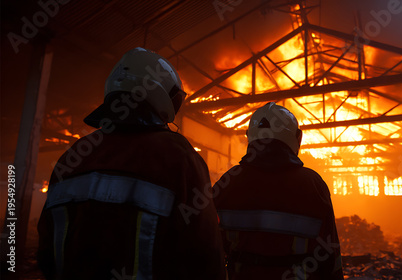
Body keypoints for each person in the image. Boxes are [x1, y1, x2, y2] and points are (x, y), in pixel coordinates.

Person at [37, 47, 225, 280]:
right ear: (163, 96)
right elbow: (206, 256)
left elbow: (46, 247)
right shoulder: (179, 158)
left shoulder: (74, 156)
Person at [213, 102, 343, 280]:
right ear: (298, 138)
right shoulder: (313, 185)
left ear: (249, 137)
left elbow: (206, 248)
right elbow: (330, 256)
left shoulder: (227, 183)